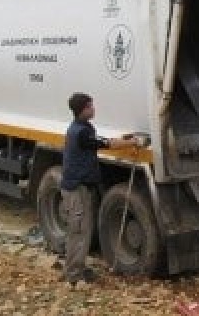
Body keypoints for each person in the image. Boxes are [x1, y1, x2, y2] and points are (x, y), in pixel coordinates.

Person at [61, 92, 142, 285]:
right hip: (76, 188)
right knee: (78, 231)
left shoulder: (81, 128)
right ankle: (73, 274)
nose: (93, 108)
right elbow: (106, 144)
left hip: (80, 186)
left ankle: (78, 268)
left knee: (83, 229)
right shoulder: (81, 132)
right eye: (90, 106)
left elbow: (100, 141)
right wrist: (133, 142)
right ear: (82, 110)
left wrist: (123, 138)